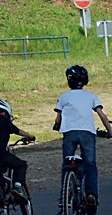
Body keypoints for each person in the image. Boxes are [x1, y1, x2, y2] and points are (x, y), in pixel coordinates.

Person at [54, 64, 112, 214]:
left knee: (66, 165)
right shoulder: (91, 96)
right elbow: (102, 116)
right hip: (87, 133)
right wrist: (110, 131)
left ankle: (64, 198)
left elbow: (58, 118)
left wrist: (56, 126)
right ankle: (91, 195)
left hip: (69, 133)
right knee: (90, 165)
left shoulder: (63, 96)